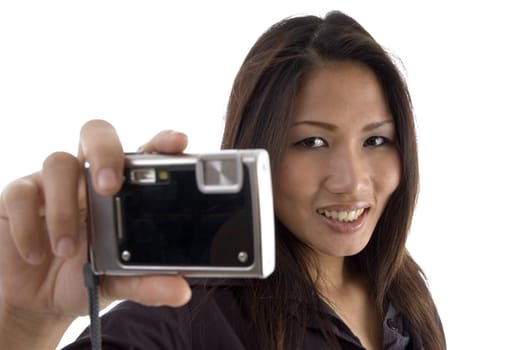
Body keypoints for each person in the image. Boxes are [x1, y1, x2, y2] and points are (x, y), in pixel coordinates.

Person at [0, 10, 446, 350]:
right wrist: (23, 323)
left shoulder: (402, 289)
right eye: (310, 142)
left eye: (375, 140)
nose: (352, 182)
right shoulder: (185, 314)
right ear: (256, 151)